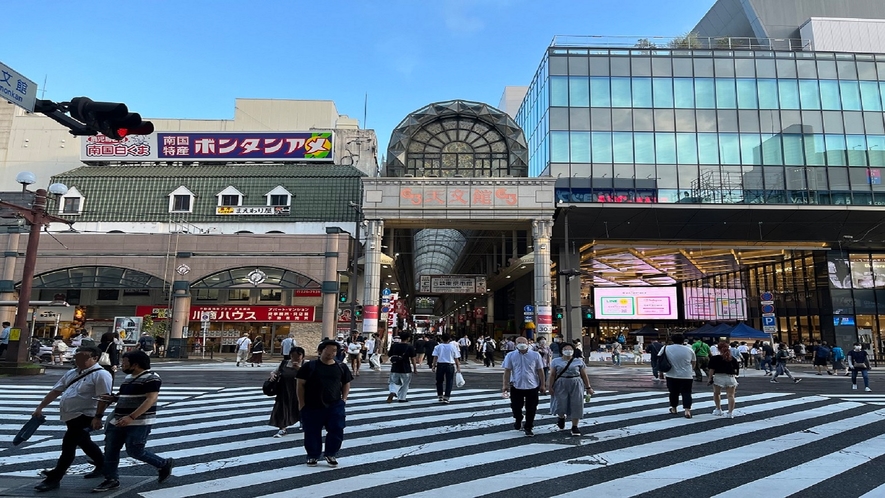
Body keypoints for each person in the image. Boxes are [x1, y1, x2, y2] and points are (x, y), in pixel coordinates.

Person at [31, 346, 113, 492]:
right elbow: (56, 390)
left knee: (68, 445)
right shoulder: (72, 373)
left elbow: (104, 398)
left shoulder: (102, 375)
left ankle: (55, 477)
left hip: (85, 415)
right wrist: (40, 407)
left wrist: (98, 417)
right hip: (70, 415)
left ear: (95, 358)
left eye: (83, 357)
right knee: (83, 441)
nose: (78, 360)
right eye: (77, 356)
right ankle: (103, 464)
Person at [91, 350, 174, 492]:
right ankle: (111, 479)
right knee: (111, 449)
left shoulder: (151, 377)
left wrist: (131, 417)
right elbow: (125, 395)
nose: (122, 365)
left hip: (139, 422)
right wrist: (113, 398)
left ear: (135, 364)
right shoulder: (129, 377)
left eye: (124, 362)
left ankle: (163, 464)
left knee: (135, 450)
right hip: (118, 419)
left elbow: (151, 399)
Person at [296, 339, 353, 467]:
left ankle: (331, 453)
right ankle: (313, 455)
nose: (332, 353)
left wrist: (344, 399)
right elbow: (300, 385)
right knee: (311, 431)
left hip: (335, 404)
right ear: (321, 351)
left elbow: (346, 383)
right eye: (329, 350)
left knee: (337, 429)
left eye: (334, 351)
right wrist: (301, 404)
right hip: (312, 404)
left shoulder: (341, 367)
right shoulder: (310, 366)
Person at [503, 337, 546, 437]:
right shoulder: (510, 355)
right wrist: (505, 385)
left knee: (531, 408)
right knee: (516, 406)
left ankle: (528, 426)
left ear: (528, 343)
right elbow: (507, 371)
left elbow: (540, 370)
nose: (521, 344)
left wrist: (543, 384)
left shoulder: (535, 355)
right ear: (515, 344)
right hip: (516, 385)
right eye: (519, 342)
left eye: (524, 342)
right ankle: (518, 418)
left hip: (532, 385)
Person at [548, 342, 593, 436]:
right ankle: (561, 417)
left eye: (570, 349)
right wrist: (550, 386)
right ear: (561, 351)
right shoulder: (556, 361)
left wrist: (588, 387)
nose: (568, 351)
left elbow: (584, 375)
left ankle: (575, 426)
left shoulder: (579, 361)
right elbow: (552, 374)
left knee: (576, 404)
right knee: (560, 402)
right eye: (565, 349)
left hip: (576, 382)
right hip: (561, 382)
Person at [269, 346, 304, 437]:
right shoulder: (284, 363)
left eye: (298, 356)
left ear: (302, 356)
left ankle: (303, 421)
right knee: (282, 409)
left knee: (300, 408)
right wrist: (273, 376)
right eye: (293, 356)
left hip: (300, 391)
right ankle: (282, 428)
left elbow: (311, 376)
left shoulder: (306, 365)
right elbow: (274, 372)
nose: (295, 359)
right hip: (284, 390)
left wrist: (299, 369)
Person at [659, 334, 696, 418]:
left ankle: (674, 408)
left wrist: (660, 372)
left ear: (672, 340)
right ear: (683, 341)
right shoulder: (689, 349)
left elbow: (660, 360)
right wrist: (690, 370)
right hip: (686, 375)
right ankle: (687, 411)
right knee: (686, 393)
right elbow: (693, 362)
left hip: (671, 374)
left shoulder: (665, 348)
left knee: (673, 392)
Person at [707, 342, 741, 418]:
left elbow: (711, 370)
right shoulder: (732, 358)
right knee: (731, 396)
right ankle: (730, 413)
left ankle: (718, 409)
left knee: (717, 393)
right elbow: (736, 369)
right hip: (730, 377)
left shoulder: (714, 358)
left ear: (718, 349)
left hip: (718, 377)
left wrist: (709, 378)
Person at [387, 331, 418, 402]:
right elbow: (413, 358)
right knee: (405, 384)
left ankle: (393, 391)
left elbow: (389, 355)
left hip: (395, 367)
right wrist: (415, 368)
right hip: (405, 368)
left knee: (393, 382)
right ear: (408, 338)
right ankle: (402, 398)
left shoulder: (394, 345)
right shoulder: (410, 347)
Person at [431, 333, 462, 403]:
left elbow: (435, 357)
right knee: (449, 381)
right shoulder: (453, 347)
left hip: (440, 365)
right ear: (449, 339)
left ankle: (440, 395)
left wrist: (433, 366)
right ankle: (447, 397)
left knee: (439, 381)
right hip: (450, 365)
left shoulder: (437, 347)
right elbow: (456, 358)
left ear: (441, 339)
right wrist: (458, 367)